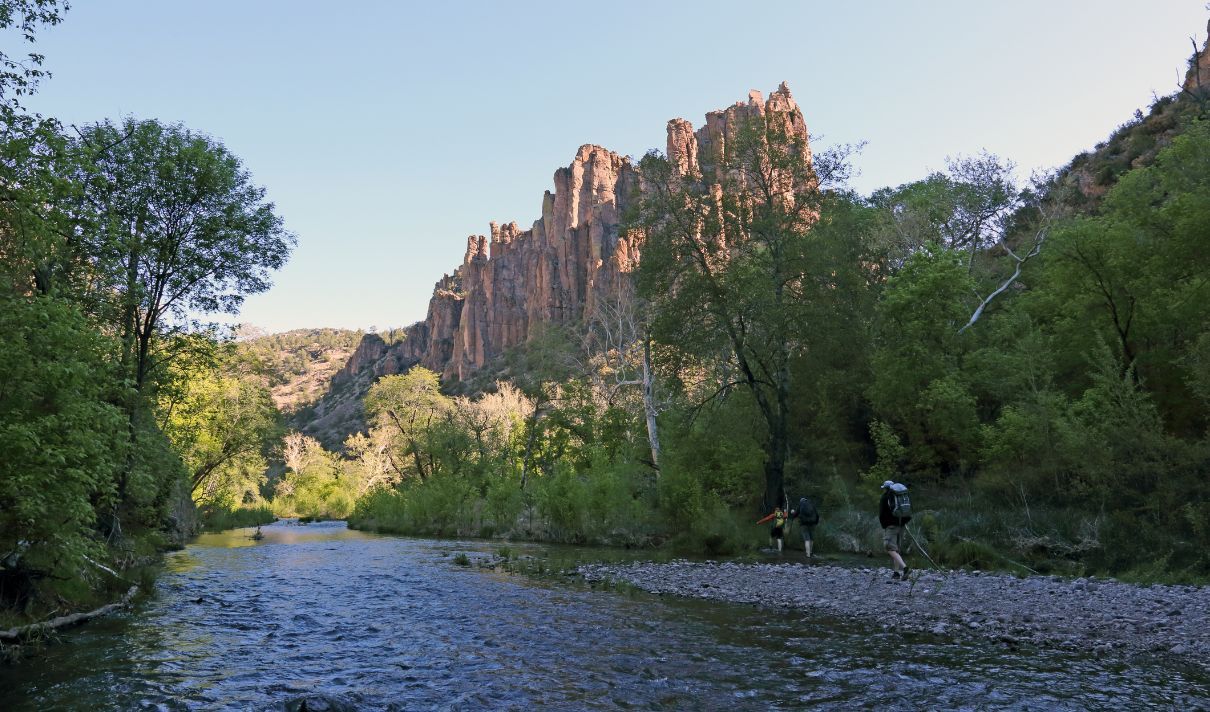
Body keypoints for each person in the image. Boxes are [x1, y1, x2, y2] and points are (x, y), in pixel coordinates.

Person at [879, 480, 911, 580]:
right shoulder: (900, 495)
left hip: (891, 527)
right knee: (896, 549)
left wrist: (885, 525)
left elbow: (881, 514)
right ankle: (896, 573)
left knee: (889, 547)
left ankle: (905, 568)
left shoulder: (885, 497)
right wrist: (904, 522)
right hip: (901, 525)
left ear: (885, 488)